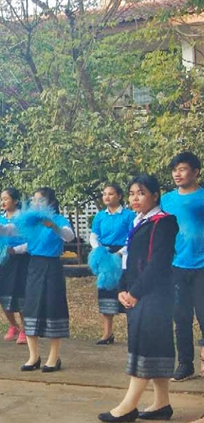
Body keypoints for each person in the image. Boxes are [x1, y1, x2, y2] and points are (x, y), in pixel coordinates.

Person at [98, 175, 178, 422]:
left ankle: (128, 406)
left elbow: (158, 263)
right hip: (138, 292)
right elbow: (128, 259)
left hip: (156, 294)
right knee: (154, 346)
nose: (135, 198)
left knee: (146, 346)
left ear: (155, 195)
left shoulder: (164, 222)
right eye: (132, 193)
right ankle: (162, 403)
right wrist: (122, 288)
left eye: (141, 193)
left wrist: (135, 292)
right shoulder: (138, 221)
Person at [0, 187, 76, 373]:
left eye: (40, 200)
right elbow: (8, 230)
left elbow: (69, 236)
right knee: (30, 309)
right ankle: (33, 357)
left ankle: (53, 358)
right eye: (33, 200)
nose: (35, 203)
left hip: (52, 267)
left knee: (53, 309)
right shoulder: (29, 221)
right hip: (33, 267)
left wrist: (53, 226)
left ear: (50, 202)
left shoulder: (58, 219)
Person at [162, 151, 204, 382]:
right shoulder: (166, 200)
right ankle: (185, 364)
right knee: (181, 317)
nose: (177, 174)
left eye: (183, 169)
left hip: (202, 267)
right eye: (174, 170)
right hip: (177, 266)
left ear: (195, 172)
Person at [91, 183, 134, 345]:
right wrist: (99, 250)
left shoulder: (128, 215)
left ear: (119, 196)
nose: (106, 197)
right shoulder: (100, 216)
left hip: (124, 255)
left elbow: (132, 236)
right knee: (105, 293)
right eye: (104, 194)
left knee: (126, 291)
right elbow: (94, 235)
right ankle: (107, 333)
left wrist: (120, 252)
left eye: (110, 194)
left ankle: (132, 333)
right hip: (106, 255)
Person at [0, 187, 29, 345]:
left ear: (15, 201)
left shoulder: (23, 218)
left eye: (6, 199)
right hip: (5, 261)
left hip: (22, 260)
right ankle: (13, 326)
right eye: (1, 199)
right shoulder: (0, 219)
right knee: (3, 294)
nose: (2, 202)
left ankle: (24, 329)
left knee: (21, 295)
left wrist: (15, 250)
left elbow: (31, 241)